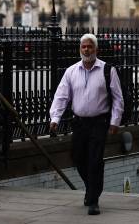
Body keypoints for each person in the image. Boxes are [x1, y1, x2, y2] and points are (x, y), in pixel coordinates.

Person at [49, 33, 124, 215]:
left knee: (94, 161)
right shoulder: (71, 71)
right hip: (80, 123)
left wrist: (115, 121)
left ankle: (93, 200)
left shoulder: (108, 70)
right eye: (83, 47)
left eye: (90, 46)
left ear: (96, 49)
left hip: (99, 122)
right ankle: (92, 187)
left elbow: (118, 99)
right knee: (78, 158)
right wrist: (55, 118)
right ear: (80, 49)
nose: (86, 50)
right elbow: (61, 96)